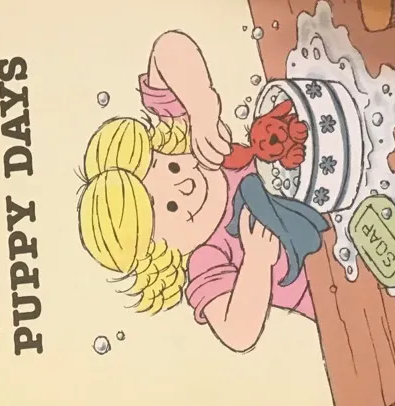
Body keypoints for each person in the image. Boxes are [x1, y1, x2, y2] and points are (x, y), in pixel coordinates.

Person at [78, 30, 316, 352]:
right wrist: (257, 261)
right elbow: (238, 334)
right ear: (160, 252)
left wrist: (202, 108)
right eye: (171, 207)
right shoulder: (207, 258)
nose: (185, 185)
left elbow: (167, 49)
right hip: (338, 281)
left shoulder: (206, 145)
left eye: (172, 167)